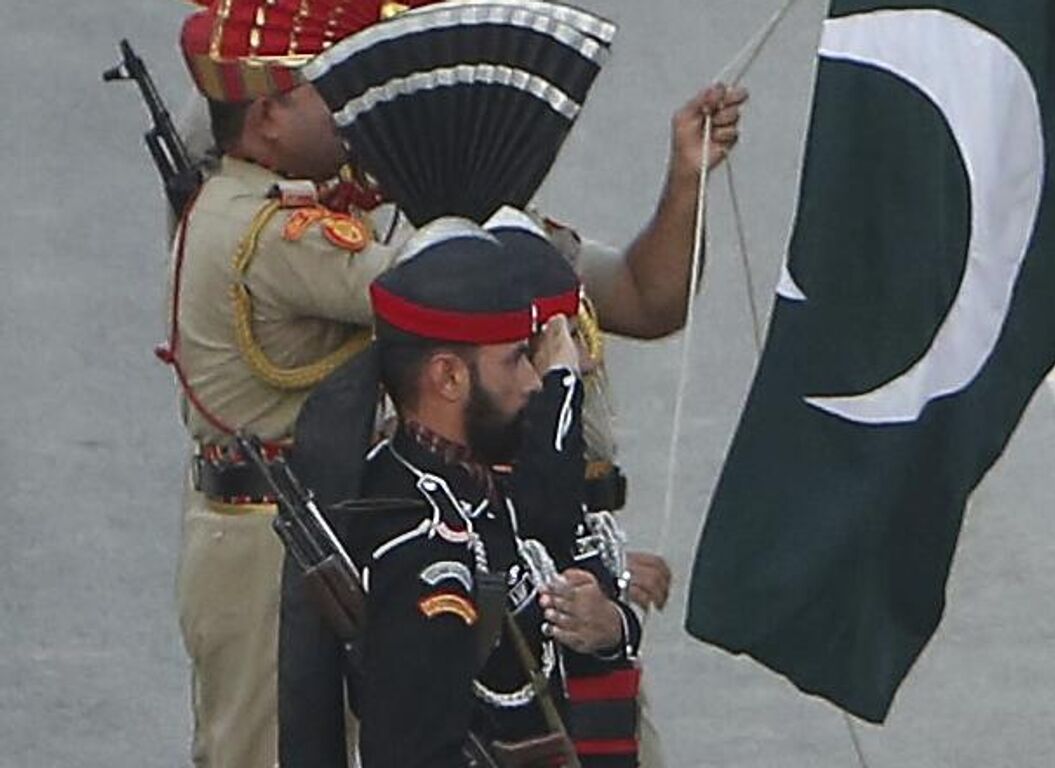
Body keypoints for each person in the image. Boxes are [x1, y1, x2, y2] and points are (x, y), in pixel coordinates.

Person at [160, 2, 739, 764]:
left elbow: (643, 296)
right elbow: (439, 352)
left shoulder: (482, 229)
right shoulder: (362, 238)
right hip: (353, 537)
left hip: (518, 541)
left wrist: (684, 180)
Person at [347, 229, 640, 766]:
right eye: (514, 361)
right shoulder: (424, 546)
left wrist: (609, 626)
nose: (534, 382)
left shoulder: (476, 489)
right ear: (449, 377)